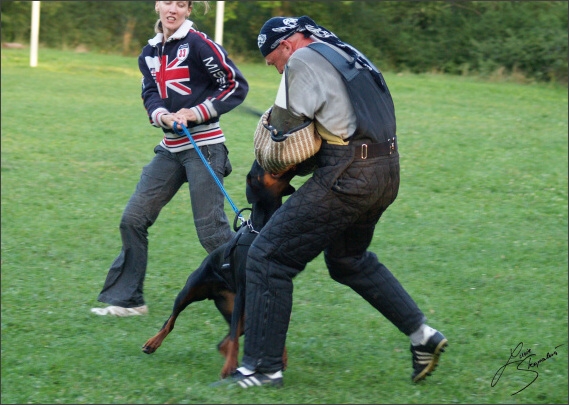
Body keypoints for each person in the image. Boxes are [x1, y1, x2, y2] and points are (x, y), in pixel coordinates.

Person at [219, 16, 447, 388]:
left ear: (287, 46)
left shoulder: (301, 61)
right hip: (387, 169)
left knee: (267, 257)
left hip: (348, 174)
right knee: (347, 260)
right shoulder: (345, 50)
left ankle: (262, 370)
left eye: (272, 60)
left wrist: (269, 157)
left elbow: (285, 142)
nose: (276, 68)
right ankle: (423, 336)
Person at [91, 1, 248, 317]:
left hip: (205, 146)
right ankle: (128, 301)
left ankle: (258, 289)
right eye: (167, 1)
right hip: (170, 149)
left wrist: (195, 112)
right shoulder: (148, 53)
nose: (172, 8)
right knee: (133, 219)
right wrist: (162, 115)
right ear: (157, 6)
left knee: (212, 232)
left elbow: (234, 85)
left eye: (180, 3)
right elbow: (150, 94)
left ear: (189, 10)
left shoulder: (200, 44)